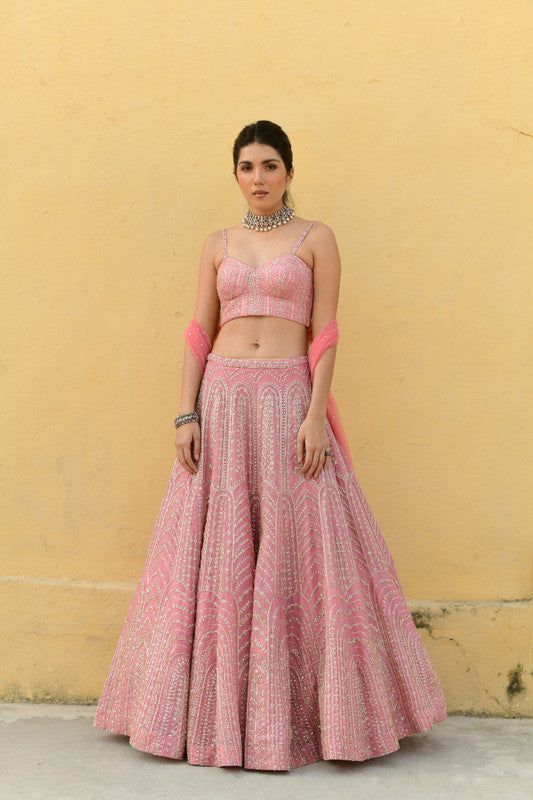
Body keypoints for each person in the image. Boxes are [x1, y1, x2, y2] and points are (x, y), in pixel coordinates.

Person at [93, 120, 447, 771]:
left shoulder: (316, 239)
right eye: (246, 167)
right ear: (235, 174)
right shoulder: (217, 244)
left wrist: (315, 415)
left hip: (287, 399)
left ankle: (309, 718)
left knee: (303, 550)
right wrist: (185, 413)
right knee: (217, 549)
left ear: (288, 171)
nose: (257, 178)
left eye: (269, 166)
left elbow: (326, 332)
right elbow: (198, 332)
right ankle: (208, 719)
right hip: (223, 401)